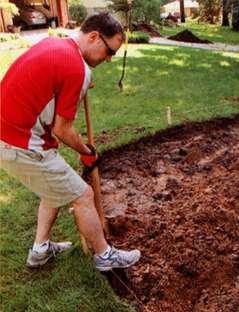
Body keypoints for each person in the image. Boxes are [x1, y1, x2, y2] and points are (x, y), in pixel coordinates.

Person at [0, 12, 140, 271]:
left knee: (53, 188)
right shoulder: (75, 67)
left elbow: (53, 96)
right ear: (94, 36)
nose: (109, 60)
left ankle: (40, 251)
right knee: (83, 195)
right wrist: (87, 152)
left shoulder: (58, 45)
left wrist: (77, 80)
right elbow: (62, 130)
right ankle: (104, 255)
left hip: (9, 135)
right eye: (109, 51)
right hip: (19, 143)